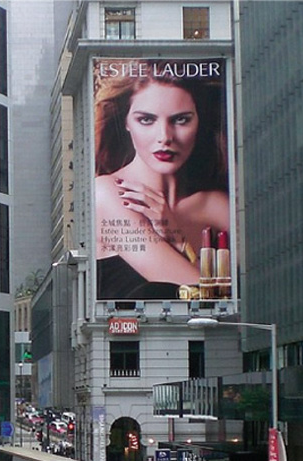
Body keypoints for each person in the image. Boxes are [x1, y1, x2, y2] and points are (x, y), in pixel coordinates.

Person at [93, 61, 230, 300]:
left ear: (199, 122)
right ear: (126, 121)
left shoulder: (215, 204)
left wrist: (176, 236)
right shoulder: (107, 193)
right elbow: (206, 295)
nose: (165, 137)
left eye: (181, 120)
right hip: (125, 336)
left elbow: (257, 290)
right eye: (146, 120)